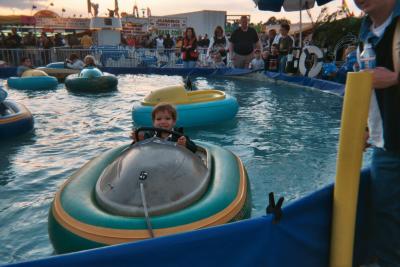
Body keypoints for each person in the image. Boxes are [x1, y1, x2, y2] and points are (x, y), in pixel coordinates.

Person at [354, 0, 400, 266]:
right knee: (385, 216)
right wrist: (363, 126)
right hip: (385, 142)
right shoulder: (365, 34)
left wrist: (395, 79)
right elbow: (367, 87)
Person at [130, 103, 197, 153]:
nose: (163, 122)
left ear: (173, 121)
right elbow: (135, 151)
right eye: (159, 119)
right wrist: (137, 141)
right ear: (153, 122)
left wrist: (185, 144)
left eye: (167, 119)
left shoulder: (179, 135)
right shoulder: (149, 135)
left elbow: (194, 148)